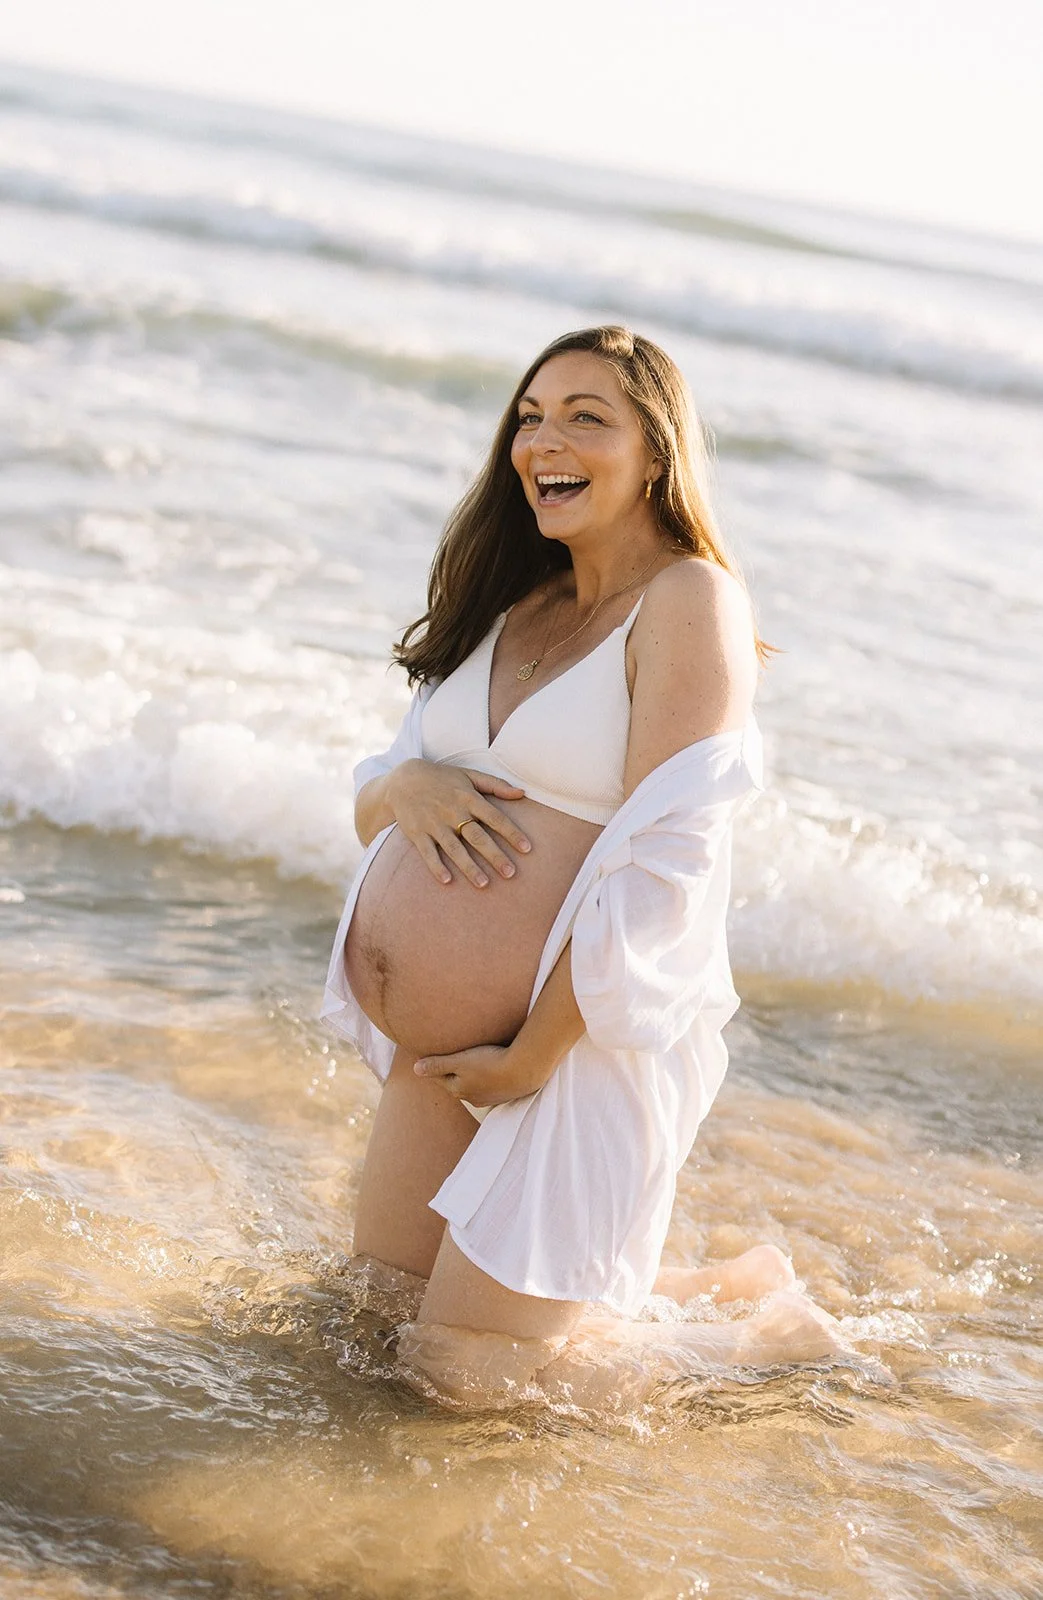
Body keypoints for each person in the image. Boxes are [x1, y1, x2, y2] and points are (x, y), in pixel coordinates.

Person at [322, 325, 842, 1408]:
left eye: (583, 417)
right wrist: (398, 793)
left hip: (570, 1057)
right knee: (366, 1330)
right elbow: (382, 784)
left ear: (655, 452)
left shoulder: (689, 601)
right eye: (528, 416)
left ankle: (763, 1349)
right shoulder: (514, 601)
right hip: (448, 1057)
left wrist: (528, 1058)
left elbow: (668, 867)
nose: (541, 441)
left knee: (465, 1383)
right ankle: (699, 1290)